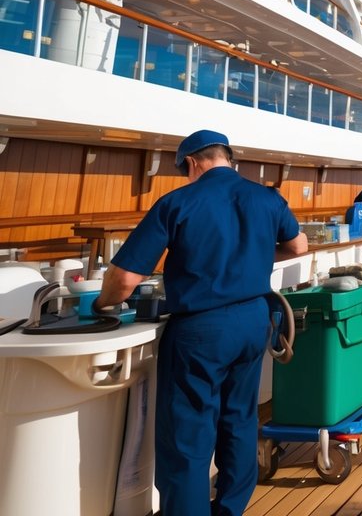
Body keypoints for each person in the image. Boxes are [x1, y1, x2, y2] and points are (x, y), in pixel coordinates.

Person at [98, 130, 307, 516]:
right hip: (253, 321)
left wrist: (101, 303)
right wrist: (255, 259)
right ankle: (229, 508)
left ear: (192, 163)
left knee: (188, 435)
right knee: (239, 420)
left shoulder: (178, 202)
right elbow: (298, 247)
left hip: (200, 331)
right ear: (227, 158)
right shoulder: (267, 198)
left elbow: (124, 280)